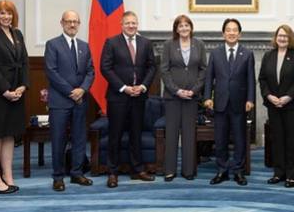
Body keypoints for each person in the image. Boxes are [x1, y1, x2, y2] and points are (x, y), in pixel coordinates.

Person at [100, 11, 157, 187]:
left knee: (136, 134)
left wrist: (143, 86)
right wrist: (124, 88)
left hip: (139, 97)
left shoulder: (145, 43)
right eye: (128, 23)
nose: (131, 26)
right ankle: (112, 171)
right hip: (118, 97)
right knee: (115, 135)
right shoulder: (112, 42)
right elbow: (105, 68)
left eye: (134, 23)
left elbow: (152, 67)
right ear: (121, 24)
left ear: (137, 24)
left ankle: (137, 170)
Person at [0, 0, 29, 194]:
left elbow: (25, 62)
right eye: (2, 13)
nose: (6, 17)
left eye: (9, 13)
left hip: (17, 92)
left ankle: (7, 176)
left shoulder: (17, 34)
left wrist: (23, 86)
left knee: (9, 135)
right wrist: (6, 90)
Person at [44, 11, 95, 192]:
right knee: (58, 139)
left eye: (75, 22)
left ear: (79, 24)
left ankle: (77, 173)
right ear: (62, 22)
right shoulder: (52, 45)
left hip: (80, 100)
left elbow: (90, 71)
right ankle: (58, 177)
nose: (72, 25)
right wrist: (70, 91)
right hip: (60, 101)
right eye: (69, 21)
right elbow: (51, 72)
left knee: (80, 138)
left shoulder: (84, 46)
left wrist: (82, 89)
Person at [204, 18, 255, 186]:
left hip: (239, 103)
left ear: (239, 34)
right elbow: (209, 77)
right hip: (219, 102)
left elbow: (250, 79)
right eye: (228, 30)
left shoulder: (247, 53)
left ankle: (239, 171)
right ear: (223, 33)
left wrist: (250, 99)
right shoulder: (215, 53)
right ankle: (222, 170)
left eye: (235, 30)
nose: (231, 33)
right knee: (220, 139)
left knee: (240, 139)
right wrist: (207, 97)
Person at [259, 24, 294, 188]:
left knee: (293, 140)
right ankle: (279, 172)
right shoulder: (268, 55)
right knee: (277, 139)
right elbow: (263, 79)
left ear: (290, 38)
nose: (282, 38)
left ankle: (292, 174)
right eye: (279, 35)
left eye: (285, 36)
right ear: (275, 38)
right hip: (274, 105)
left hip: (293, 105)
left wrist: (288, 97)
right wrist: (269, 96)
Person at [160, 14, 207, 181]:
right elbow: (164, 70)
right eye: (181, 26)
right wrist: (176, 90)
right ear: (176, 29)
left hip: (192, 97)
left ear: (191, 28)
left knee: (189, 134)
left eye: (187, 25)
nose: (184, 28)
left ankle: (188, 171)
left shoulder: (199, 45)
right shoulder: (168, 45)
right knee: (172, 133)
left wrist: (194, 91)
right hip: (173, 97)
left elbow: (203, 70)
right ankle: (169, 170)